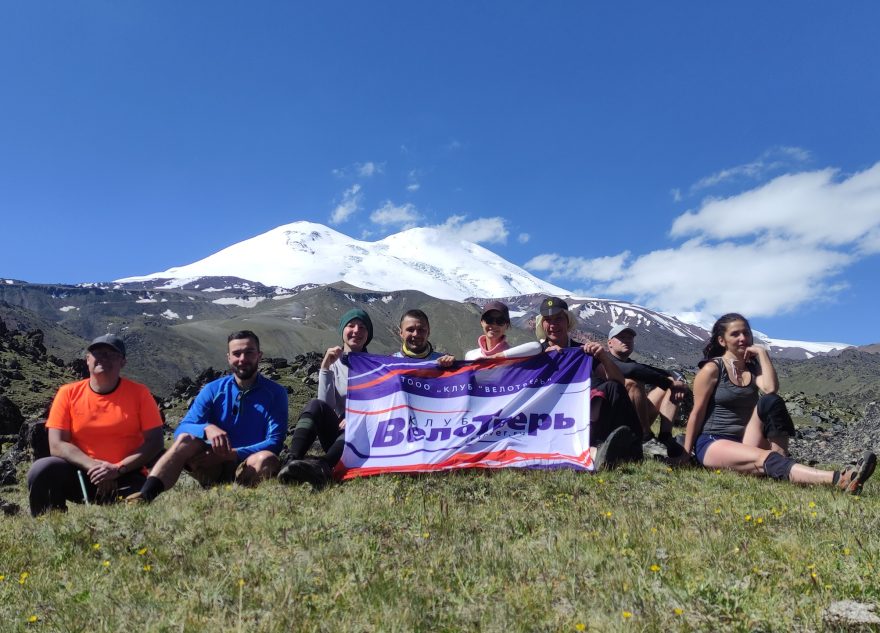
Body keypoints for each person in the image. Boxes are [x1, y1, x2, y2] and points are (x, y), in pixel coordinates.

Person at [683, 313, 876, 493]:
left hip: (745, 440)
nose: (743, 338)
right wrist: (686, 453)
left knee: (771, 402)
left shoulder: (753, 367)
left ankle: (781, 464)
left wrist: (763, 355)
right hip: (714, 441)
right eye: (735, 334)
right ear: (722, 340)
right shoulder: (711, 370)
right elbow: (696, 413)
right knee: (763, 458)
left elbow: (770, 389)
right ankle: (838, 479)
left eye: (746, 333)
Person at [127, 331, 287, 502]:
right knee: (185, 440)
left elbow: (274, 442)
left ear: (259, 355)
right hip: (212, 464)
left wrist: (231, 454)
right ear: (228, 357)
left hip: (249, 464)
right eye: (236, 354)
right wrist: (206, 428)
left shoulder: (275, 393)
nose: (242, 359)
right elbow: (182, 428)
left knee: (266, 459)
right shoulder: (213, 389)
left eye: (249, 352)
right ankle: (145, 496)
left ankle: (235, 500)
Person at [26, 334, 163, 516]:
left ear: (123, 362)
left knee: (134, 515)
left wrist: (117, 469)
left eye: (111, 354)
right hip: (82, 473)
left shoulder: (140, 394)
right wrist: (94, 468)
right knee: (42, 469)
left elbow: (155, 442)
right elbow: (57, 444)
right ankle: (51, 525)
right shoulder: (68, 393)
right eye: (97, 353)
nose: (103, 358)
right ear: (87, 359)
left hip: (127, 474)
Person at [532, 297, 643, 469]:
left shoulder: (582, 351)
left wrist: (603, 357)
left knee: (613, 387)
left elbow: (619, 381)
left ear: (568, 321)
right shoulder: (535, 352)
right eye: (548, 320)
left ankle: (633, 449)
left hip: (582, 412)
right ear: (542, 324)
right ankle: (597, 450)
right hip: (550, 415)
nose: (553, 324)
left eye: (559, 318)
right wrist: (543, 361)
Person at [278, 309, 373, 489]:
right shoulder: (334, 364)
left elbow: (383, 403)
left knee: (356, 423)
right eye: (351, 325)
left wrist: (355, 416)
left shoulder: (378, 367)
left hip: (364, 434)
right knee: (315, 405)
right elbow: (326, 405)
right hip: (337, 434)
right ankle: (291, 460)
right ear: (342, 331)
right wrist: (325, 367)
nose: (356, 331)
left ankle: (324, 466)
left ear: (368, 334)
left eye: (362, 327)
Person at [606, 324, 689, 461]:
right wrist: (670, 382)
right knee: (633, 382)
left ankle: (665, 436)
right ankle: (645, 438)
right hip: (613, 420)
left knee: (668, 383)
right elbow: (632, 370)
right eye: (621, 338)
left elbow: (646, 369)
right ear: (610, 343)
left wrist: (674, 379)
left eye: (630, 338)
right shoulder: (605, 360)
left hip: (635, 418)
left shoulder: (632, 363)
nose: (626, 341)